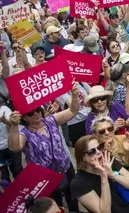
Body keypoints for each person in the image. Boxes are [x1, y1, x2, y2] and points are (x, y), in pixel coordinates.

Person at [8, 82, 81, 211]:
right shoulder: (24, 133)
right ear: (24, 117)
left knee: (74, 198)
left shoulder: (51, 120)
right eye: (30, 113)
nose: (36, 114)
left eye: (37, 110)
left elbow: (73, 110)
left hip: (65, 168)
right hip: (46, 176)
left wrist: (74, 96)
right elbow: (15, 148)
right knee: (55, 204)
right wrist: (13, 126)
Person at [71, 135, 129, 213]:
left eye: (99, 147)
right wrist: (104, 178)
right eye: (92, 152)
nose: (98, 152)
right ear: (82, 157)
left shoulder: (108, 161)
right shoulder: (78, 183)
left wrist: (113, 175)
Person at [91, 116, 129, 209]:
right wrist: (107, 154)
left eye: (110, 128)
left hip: (128, 178)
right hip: (109, 186)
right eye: (102, 131)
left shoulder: (123, 138)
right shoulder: (94, 149)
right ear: (95, 135)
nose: (107, 133)